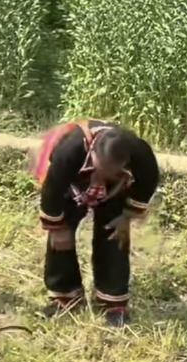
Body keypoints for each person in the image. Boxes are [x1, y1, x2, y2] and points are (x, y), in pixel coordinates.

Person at [32, 120, 160, 328]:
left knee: (115, 235)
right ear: (91, 152)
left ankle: (113, 302)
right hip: (71, 185)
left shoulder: (139, 152)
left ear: (125, 161)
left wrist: (126, 216)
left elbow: (147, 182)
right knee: (60, 239)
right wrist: (57, 226)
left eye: (111, 170)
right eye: (101, 168)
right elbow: (52, 188)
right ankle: (65, 297)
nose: (101, 176)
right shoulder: (70, 149)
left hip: (116, 189)